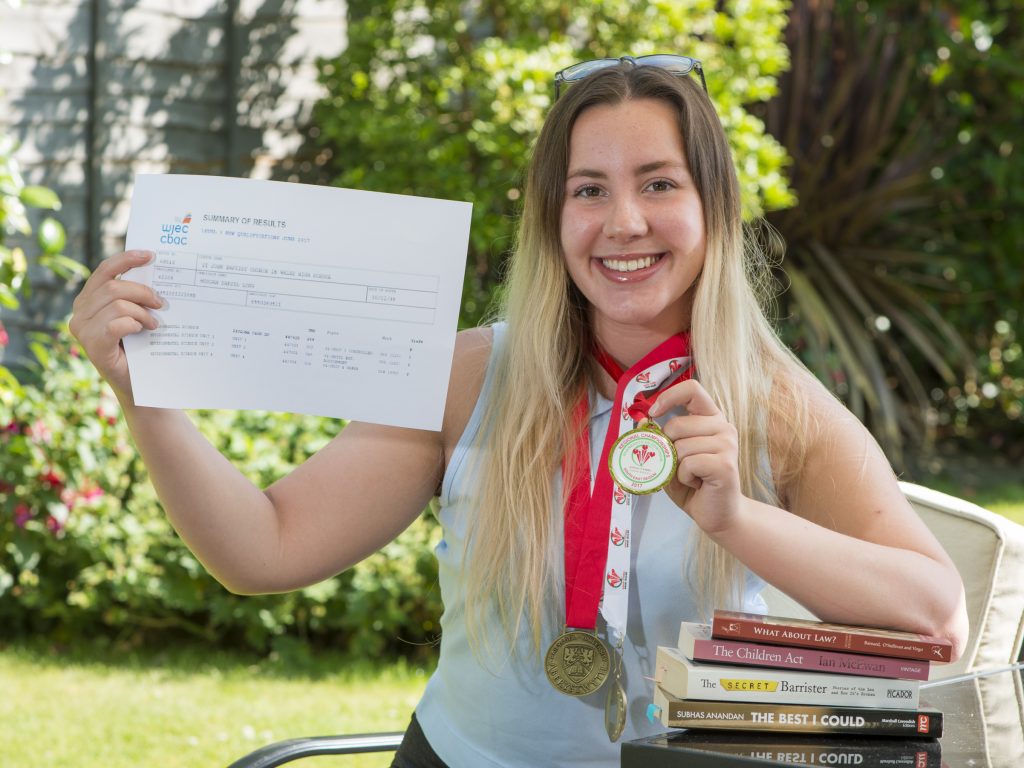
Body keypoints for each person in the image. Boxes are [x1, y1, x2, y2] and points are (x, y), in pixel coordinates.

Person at [69, 56, 969, 768]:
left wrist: (738, 518)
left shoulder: (774, 405)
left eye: (659, 183)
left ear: (713, 208)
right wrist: (146, 395)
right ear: (551, 218)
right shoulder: (468, 376)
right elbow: (262, 550)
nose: (623, 222)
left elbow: (938, 618)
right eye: (588, 189)